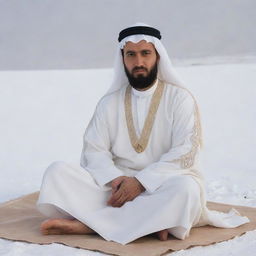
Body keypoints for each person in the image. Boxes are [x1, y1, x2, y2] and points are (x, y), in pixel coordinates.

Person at [37, 23, 249, 245]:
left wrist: (141, 182)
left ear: (158, 56)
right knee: (57, 172)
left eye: (145, 53)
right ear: (123, 59)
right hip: (115, 189)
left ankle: (88, 224)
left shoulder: (179, 99)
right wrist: (115, 178)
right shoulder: (109, 103)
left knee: (186, 191)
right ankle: (150, 223)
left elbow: (186, 150)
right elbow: (94, 149)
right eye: (131, 54)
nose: (138, 62)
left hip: (163, 183)